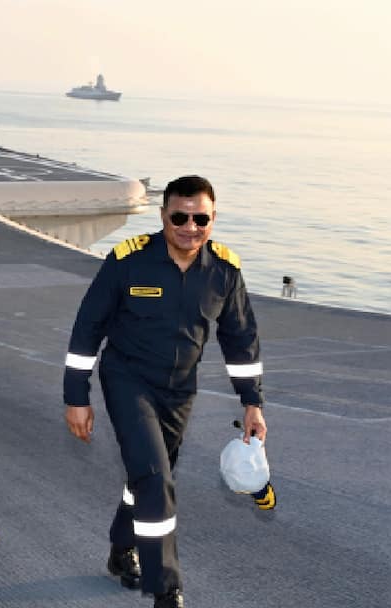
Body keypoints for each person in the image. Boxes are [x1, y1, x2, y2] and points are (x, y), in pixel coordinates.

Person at [63, 175, 268, 608]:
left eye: (200, 219)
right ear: (163, 216)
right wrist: (76, 396)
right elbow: (87, 328)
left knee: (150, 476)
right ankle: (166, 588)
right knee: (156, 478)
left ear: (213, 219)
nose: (190, 227)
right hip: (128, 381)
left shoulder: (224, 271)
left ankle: (122, 547)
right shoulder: (128, 260)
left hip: (180, 390)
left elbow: (240, 339)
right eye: (180, 217)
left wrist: (252, 402)